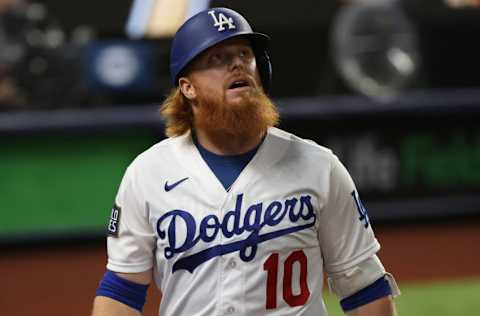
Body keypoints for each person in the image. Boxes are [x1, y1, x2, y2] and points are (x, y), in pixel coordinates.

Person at [91, 7, 400, 316]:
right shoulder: (148, 174)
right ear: (188, 87)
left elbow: (364, 285)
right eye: (217, 58)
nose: (237, 64)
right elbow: (122, 289)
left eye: (244, 54)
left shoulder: (318, 166)